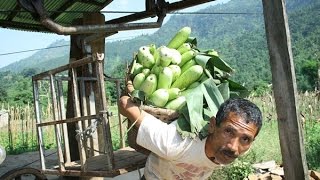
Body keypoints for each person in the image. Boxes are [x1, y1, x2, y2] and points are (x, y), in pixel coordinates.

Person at [118, 95, 263, 180]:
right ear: (212, 125)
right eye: (228, 131)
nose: (233, 146)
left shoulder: (234, 151)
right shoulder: (173, 144)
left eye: (245, 139)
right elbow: (125, 103)